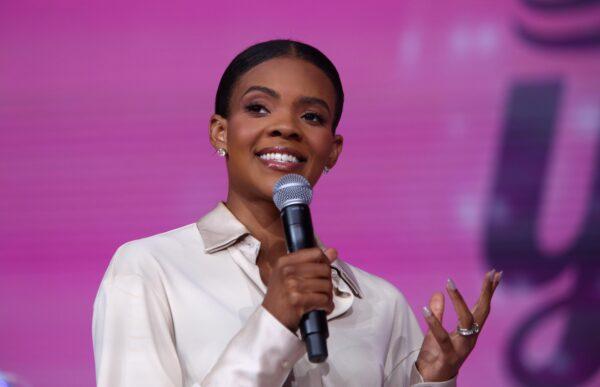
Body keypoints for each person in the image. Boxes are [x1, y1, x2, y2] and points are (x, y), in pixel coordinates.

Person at [92, 39, 502, 387]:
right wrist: (273, 322)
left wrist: (433, 379)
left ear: (333, 150)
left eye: (311, 116)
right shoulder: (150, 269)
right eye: (258, 108)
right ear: (221, 131)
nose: (286, 127)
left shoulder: (380, 305)